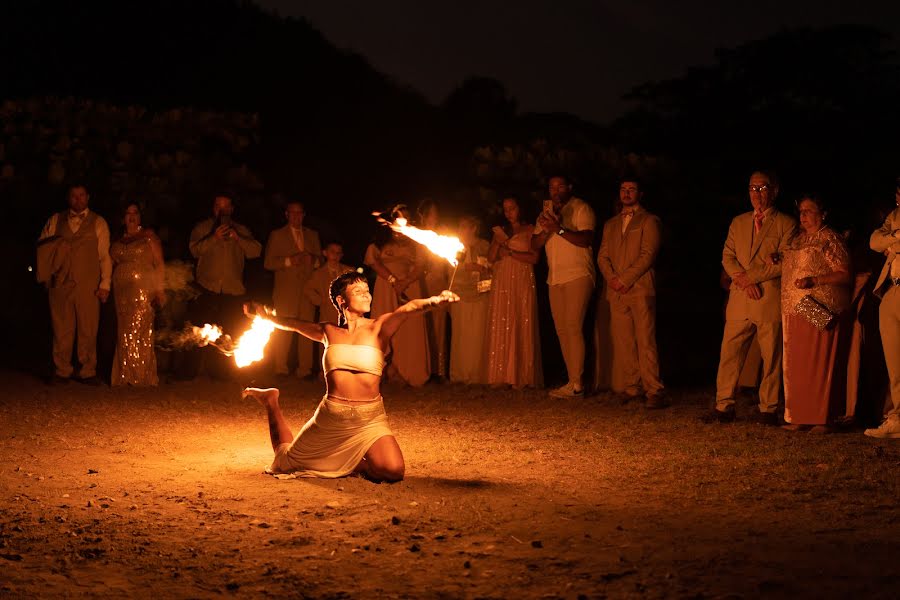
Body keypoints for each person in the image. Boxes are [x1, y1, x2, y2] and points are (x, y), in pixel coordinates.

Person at [242, 272, 459, 481]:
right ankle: (271, 401)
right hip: (331, 418)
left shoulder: (379, 327)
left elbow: (408, 308)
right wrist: (265, 316)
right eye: (358, 291)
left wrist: (435, 300)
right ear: (341, 300)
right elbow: (294, 324)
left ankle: (346, 463)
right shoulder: (328, 331)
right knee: (285, 463)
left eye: (367, 290)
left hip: (369, 420)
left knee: (393, 471)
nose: (366, 295)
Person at [708, 171, 797, 424]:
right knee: (730, 352)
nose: (756, 194)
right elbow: (727, 256)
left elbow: (785, 260)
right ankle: (723, 405)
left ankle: (768, 408)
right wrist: (743, 280)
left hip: (768, 297)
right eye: (752, 188)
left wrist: (752, 277)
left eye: (762, 188)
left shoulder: (786, 223)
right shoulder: (738, 222)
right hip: (740, 298)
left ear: (774, 190)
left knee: (771, 355)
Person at [780, 195, 852, 432]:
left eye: (809, 210)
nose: (803, 215)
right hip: (795, 307)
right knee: (797, 366)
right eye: (801, 211)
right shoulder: (798, 239)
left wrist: (815, 280)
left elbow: (844, 273)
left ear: (823, 213)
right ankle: (799, 415)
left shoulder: (830, 239)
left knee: (819, 364)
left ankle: (822, 417)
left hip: (819, 307)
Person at [596, 178, 666, 408]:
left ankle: (654, 389)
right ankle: (632, 386)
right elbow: (602, 255)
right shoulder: (610, 224)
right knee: (624, 340)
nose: (626, 193)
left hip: (640, 289)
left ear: (640, 193)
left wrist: (625, 279)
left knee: (645, 340)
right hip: (616, 291)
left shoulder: (650, 220)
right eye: (623, 190)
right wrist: (613, 280)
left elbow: (648, 254)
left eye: (631, 189)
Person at [37, 184, 112, 385]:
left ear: (88, 197)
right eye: (73, 196)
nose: (77, 200)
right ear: (68, 198)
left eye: (81, 196)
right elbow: (43, 250)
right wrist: (45, 277)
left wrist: (105, 284)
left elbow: (104, 256)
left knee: (88, 328)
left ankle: (88, 370)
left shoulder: (98, 222)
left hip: (88, 284)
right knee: (61, 328)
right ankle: (62, 370)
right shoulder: (55, 219)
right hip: (60, 284)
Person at [531, 175, 596, 398]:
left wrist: (558, 228)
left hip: (578, 274)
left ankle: (578, 384)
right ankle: (573, 381)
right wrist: (548, 227)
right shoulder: (546, 214)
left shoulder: (581, 208)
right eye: (551, 187)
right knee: (562, 330)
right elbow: (534, 245)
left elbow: (586, 239)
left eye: (560, 186)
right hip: (555, 277)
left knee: (573, 326)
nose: (555, 190)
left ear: (569, 187)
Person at [189, 194, 262, 378]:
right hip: (207, 288)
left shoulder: (241, 229)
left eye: (225, 207)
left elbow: (256, 251)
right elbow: (194, 250)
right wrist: (214, 238)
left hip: (233, 289)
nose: (222, 211)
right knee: (200, 331)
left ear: (231, 209)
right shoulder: (202, 227)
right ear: (213, 208)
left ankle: (222, 374)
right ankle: (190, 372)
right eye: (218, 207)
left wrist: (238, 238)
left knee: (229, 333)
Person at [364, 204, 431, 386]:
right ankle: (383, 370)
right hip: (386, 286)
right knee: (384, 324)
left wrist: (405, 282)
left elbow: (421, 266)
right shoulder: (380, 239)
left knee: (409, 328)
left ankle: (408, 371)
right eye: (399, 217)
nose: (403, 220)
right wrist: (393, 281)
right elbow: (373, 261)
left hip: (409, 287)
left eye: (407, 217)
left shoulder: (416, 241)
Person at [486, 196, 542, 389]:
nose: (508, 212)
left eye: (512, 208)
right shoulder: (502, 231)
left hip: (521, 277)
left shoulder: (530, 230)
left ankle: (521, 375)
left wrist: (510, 251)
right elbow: (491, 258)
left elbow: (535, 258)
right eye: (505, 209)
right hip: (502, 279)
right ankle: (500, 374)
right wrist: (497, 242)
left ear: (520, 209)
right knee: (503, 319)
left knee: (520, 319)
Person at [264, 201, 321, 379]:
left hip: (307, 290)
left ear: (304, 215)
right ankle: (280, 367)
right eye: (292, 213)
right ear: (287, 215)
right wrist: (289, 261)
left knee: (307, 329)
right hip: (285, 291)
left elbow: (321, 262)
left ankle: (305, 369)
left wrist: (313, 260)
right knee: (283, 328)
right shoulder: (277, 235)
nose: (296, 216)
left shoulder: (312, 235)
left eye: (299, 213)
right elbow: (268, 263)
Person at [110, 203, 165, 386]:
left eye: (135, 213)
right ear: (123, 217)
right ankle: (124, 375)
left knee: (140, 330)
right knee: (124, 331)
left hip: (142, 290)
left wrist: (159, 290)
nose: (131, 216)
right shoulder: (118, 239)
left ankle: (141, 376)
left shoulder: (148, 236)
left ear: (140, 217)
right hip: (121, 292)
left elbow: (159, 263)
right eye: (128, 213)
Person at [865, 180, 900, 439]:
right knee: (894, 360)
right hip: (891, 289)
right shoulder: (894, 216)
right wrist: (896, 237)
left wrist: (894, 243)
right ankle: (896, 418)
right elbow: (874, 241)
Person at [449, 215, 491, 384]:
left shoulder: (484, 245)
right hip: (461, 294)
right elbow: (452, 269)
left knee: (477, 335)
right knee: (461, 335)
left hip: (480, 293)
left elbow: (490, 268)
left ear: (473, 228)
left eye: (464, 226)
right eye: (459, 226)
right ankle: (460, 374)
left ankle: (476, 374)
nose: (460, 230)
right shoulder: (457, 247)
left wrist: (483, 270)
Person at [417, 199, 450, 382]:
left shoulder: (442, 233)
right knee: (423, 325)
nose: (435, 216)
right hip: (423, 282)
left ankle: (439, 370)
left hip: (438, 281)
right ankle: (425, 368)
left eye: (437, 212)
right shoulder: (418, 235)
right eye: (433, 212)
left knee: (439, 325)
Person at [305, 241, 354, 325]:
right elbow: (308, 289)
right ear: (325, 253)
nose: (336, 255)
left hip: (347, 315)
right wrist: (320, 301)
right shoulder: (318, 274)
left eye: (338, 253)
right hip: (327, 315)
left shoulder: (348, 271)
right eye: (332, 252)